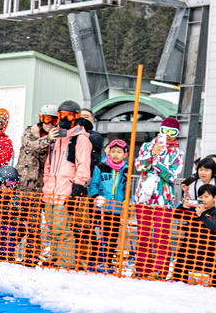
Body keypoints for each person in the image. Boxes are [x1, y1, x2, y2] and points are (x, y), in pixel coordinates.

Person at [40, 100, 93, 269]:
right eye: (61, 115)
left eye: (68, 115)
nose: (63, 118)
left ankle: (66, 262)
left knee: (63, 229)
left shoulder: (80, 139)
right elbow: (48, 164)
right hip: (51, 190)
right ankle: (55, 259)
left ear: (76, 117)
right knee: (52, 229)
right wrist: (46, 183)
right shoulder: (57, 137)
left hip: (66, 189)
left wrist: (78, 185)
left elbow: (83, 164)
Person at [132, 117, 185, 279]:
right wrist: (152, 154)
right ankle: (142, 269)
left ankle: (159, 271)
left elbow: (172, 176)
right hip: (144, 198)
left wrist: (157, 164)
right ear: (159, 130)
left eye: (172, 132)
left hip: (164, 199)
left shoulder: (178, 153)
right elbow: (139, 166)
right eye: (165, 131)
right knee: (143, 234)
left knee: (161, 236)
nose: (168, 135)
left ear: (177, 134)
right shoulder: (147, 146)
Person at [13, 105, 56, 267]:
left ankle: (30, 258)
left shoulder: (57, 138)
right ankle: (8, 252)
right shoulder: (30, 132)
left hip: (39, 189)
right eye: (46, 119)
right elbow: (31, 145)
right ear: (40, 118)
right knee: (15, 222)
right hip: (22, 186)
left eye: (54, 120)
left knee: (34, 225)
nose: (50, 123)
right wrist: (48, 139)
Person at [87, 139, 129, 272]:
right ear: (109, 152)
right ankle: (97, 260)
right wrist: (95, 196)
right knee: (101, 233)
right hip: (102, 207)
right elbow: (93, 184)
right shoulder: (101, 166)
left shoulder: (126, 169)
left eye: (119, 152)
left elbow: (126, 188)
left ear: (125, 154)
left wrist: (127, 200)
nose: (116, 155)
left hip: (116, 208)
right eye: (113, 151)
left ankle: (109, 260)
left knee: (113, 235)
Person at [175, 184, 216, 285]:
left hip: (208, 254)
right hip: (188, 252)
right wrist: (183, 206)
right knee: (180, 283)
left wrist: (202, 215)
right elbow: (176, 215)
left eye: (207, 196)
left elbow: (214, 225)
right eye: (201, 197)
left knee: (204, 284)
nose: (203, 199)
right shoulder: (194, 209)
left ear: (215, 197)